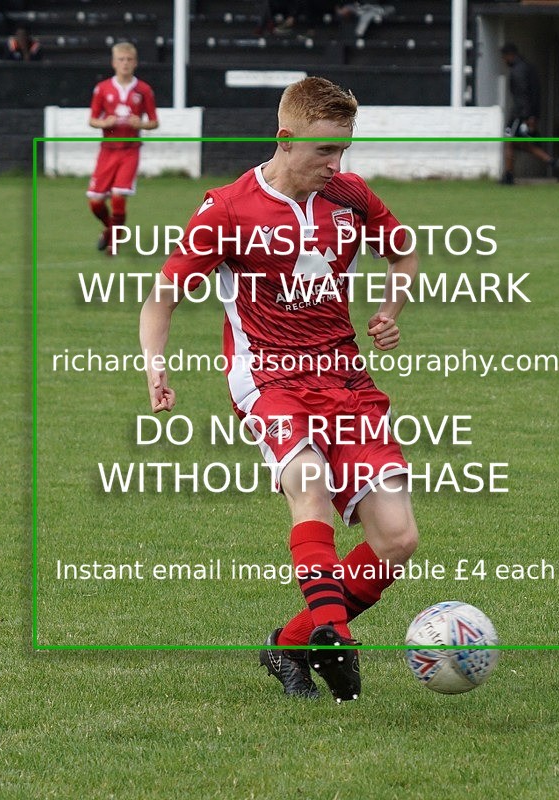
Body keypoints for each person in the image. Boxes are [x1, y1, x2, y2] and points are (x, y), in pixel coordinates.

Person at [139, 77, 419, 702]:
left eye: (343, 150)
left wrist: (391, 310)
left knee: (397, 540)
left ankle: (292, 643)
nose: (336, 164)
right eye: (325, 152)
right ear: (286, 140)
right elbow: (163, 295)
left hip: (344, 377)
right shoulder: (229, 209)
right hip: (266, 377)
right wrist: (154, 365)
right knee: (309, 483)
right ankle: (334, 634)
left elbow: (403, 255)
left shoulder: (349, 196)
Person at [86, 42, 159, 253]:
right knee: (95, 202)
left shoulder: (144, 90)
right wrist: (105, 123)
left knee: (118, 196)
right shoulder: (102, 89)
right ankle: (111, 231)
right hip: (107, 150)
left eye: (128, 60)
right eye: (121, 60)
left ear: (135, 63)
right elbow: (92, 120)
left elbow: (154, 121)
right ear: (113, 63)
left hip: (130, 150)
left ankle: (113, 242)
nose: (125, 64)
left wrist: (141, 124)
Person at [500, 43, 559, 185]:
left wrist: (527, 117)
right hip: (528, 113)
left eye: (504, 58)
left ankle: (508, 176)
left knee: (509, 141)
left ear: (509, 56)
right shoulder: (529, 67)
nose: (504, 61)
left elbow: (522, 95)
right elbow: (535, 93)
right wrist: (534, 115)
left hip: (519, 114)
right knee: (522, 144)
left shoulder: (518, 71)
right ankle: (553, 163)